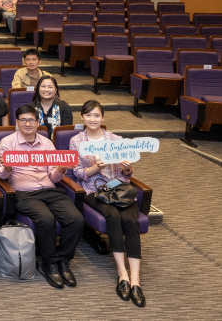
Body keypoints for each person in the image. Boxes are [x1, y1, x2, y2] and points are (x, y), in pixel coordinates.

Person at [0, 105, 84, 290]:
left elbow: (54, 177)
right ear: (17, 122)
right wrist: (8, 167)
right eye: (23, 120)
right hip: (25, 193)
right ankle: (49, 263)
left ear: (37, 122)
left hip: (50, 189)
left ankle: (63, 260)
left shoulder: (46, 143)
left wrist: (61, 168)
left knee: (76, 219)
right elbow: (1, 175)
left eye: (31, 120)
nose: (27, 124)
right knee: (46, 219)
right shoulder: (7, 143)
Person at [69, 100, 146, 307]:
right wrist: (96, 167)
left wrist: (127, 168)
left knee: (130, 221)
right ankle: (122, 274)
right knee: (112, 216)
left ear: (103, 117)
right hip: (94, 190)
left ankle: (136, 279)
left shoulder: (115, 139)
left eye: (96, 115)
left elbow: (127, 173)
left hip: (119, 188)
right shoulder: (77, 141)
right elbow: (78, 173)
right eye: (88, 115)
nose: (92, 119)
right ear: (82, 117)